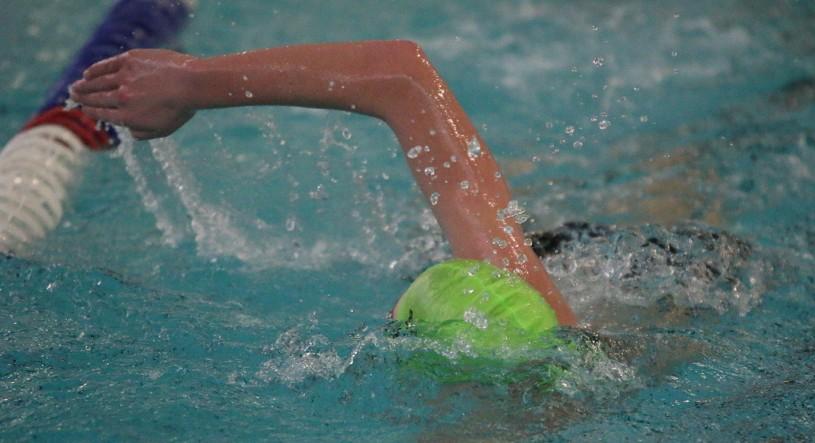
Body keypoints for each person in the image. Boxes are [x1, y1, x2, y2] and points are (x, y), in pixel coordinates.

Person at [70, 40, 579, 327]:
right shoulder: (527, 306)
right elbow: (403, 77)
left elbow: (404, 78)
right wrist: (187, 82)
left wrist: (189, 83)